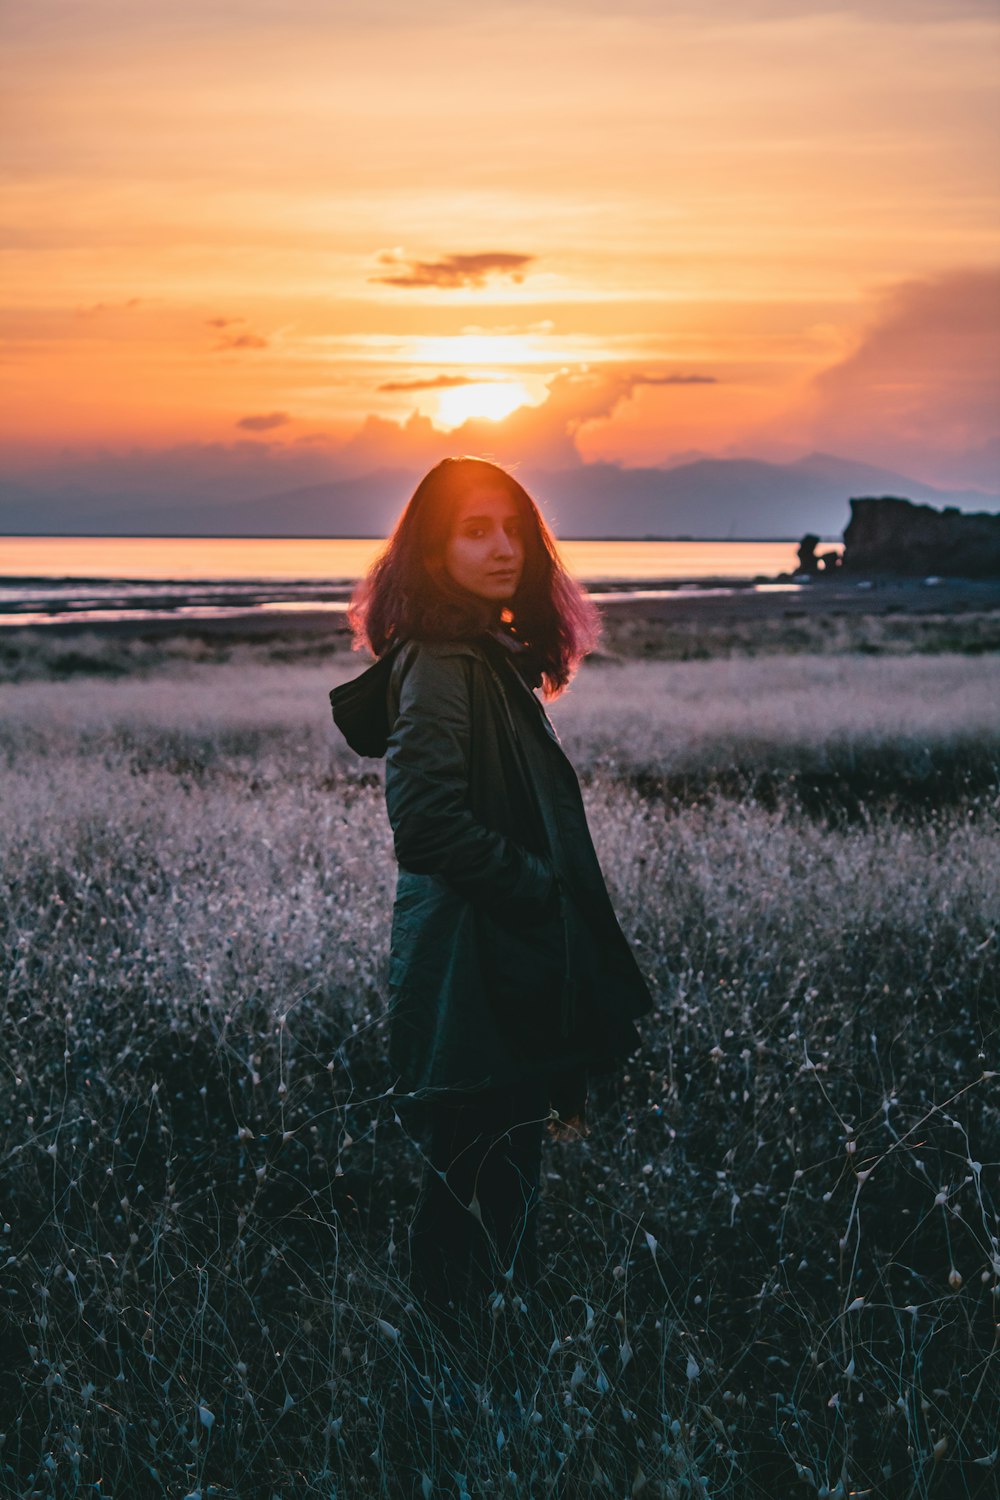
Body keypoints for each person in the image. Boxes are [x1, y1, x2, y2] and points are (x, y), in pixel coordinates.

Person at [329, 455, 652, 1377]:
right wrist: (535, 894)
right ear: (432, 550)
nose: (502, 547)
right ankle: (448, 1385)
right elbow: (424, 822)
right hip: (472, 962)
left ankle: (489, 1371)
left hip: (493, 959)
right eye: (474, 530)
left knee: (499, 1178)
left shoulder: (484, 657)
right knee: (467, 1186)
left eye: (512, 528)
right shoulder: (441, 664)